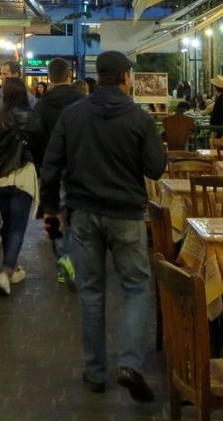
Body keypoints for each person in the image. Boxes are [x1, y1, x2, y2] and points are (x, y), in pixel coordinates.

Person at [41, 51, 165, 401]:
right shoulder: (139, 117)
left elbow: (52, 164)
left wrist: (51, 209)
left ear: (99, 76)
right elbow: (155, 168)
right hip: (126, 215)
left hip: (84, 214)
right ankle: (129, 362)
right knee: (137, 287)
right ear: (126, 77)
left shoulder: (73, 114)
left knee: (91, 292)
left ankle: (95, 371)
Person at [0, 78, 45, 296]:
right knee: (17, 227)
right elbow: (40, 149)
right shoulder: (34, 117)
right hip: (24, 176)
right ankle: (6, 270)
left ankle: (13, 268)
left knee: (8, 224)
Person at [34, 57, 85, 284]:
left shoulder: (42, 104)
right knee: (74, 211)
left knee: (53, 210)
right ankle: (69, 255)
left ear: (49, 77)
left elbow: (35, 135)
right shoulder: (81, 100)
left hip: (49, 163)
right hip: (77, 163)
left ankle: (61, 256)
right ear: (69, 75)